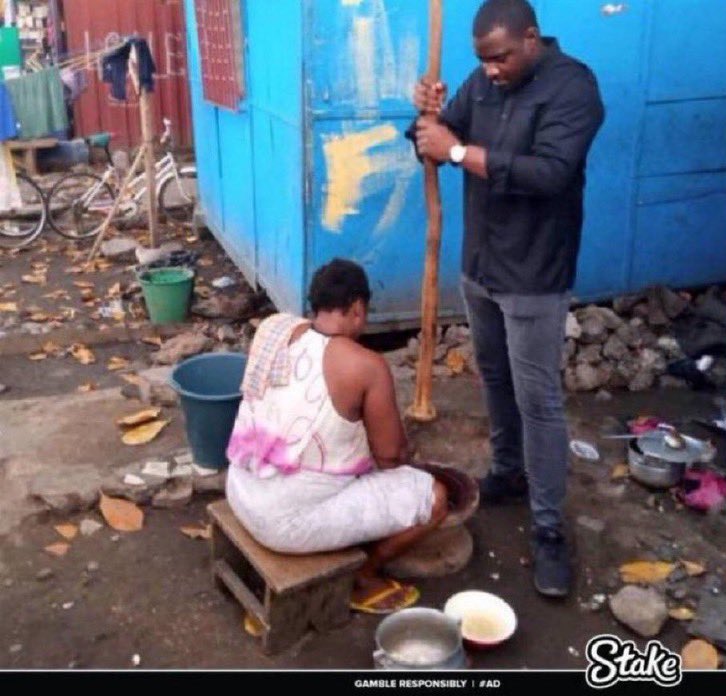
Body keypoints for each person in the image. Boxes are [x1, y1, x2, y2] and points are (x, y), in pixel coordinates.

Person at [410, 0, 604, 597]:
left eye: (499, 58)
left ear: (530, 38)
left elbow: (550, 173)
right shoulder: (481, 82)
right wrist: (425, 120)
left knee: (538, 398)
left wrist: (459, 151)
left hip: (535, 273)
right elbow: (431, 142)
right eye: (482, 60)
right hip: (482, 264)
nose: (490, 70)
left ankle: (548, 529)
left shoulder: (574, 88)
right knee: (493, 378)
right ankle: (506, 471)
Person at [226, 259, 448, 614]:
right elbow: (390, 457)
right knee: (435, 497)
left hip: (240, 489)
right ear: (358, 310)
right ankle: (364, 573)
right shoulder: (365, 365)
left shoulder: (275, 327)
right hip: (282, 526)